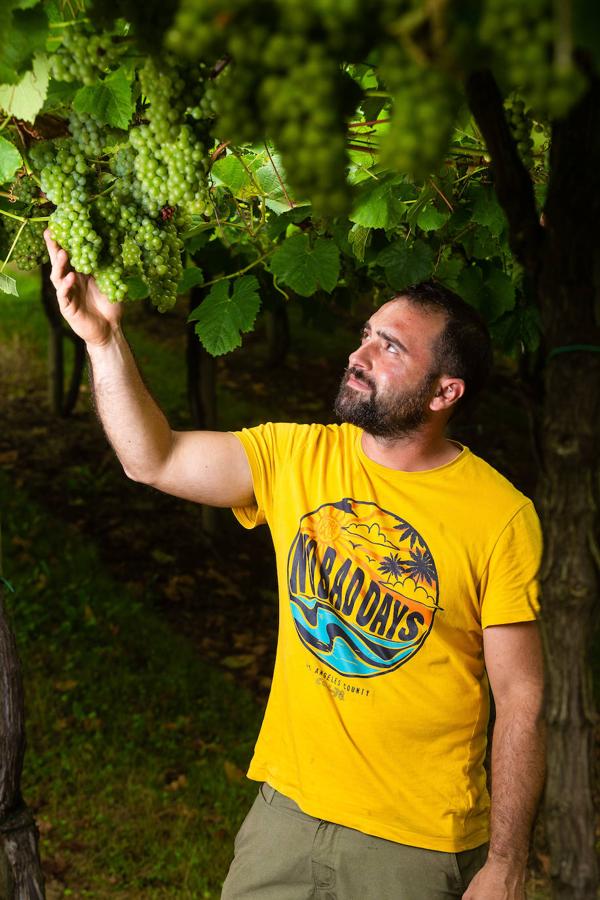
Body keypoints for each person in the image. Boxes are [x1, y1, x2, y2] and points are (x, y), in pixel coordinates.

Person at [44, 231, 545, 900]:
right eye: (367, 335)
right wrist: (104, 341)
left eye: (389, 347)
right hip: (286, 814)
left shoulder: (499, 515)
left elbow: (522, 696)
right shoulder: (299, 457)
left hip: (416, 843)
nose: (357, 355)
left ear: (443, 391)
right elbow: (153, 459)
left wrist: (507, 862)